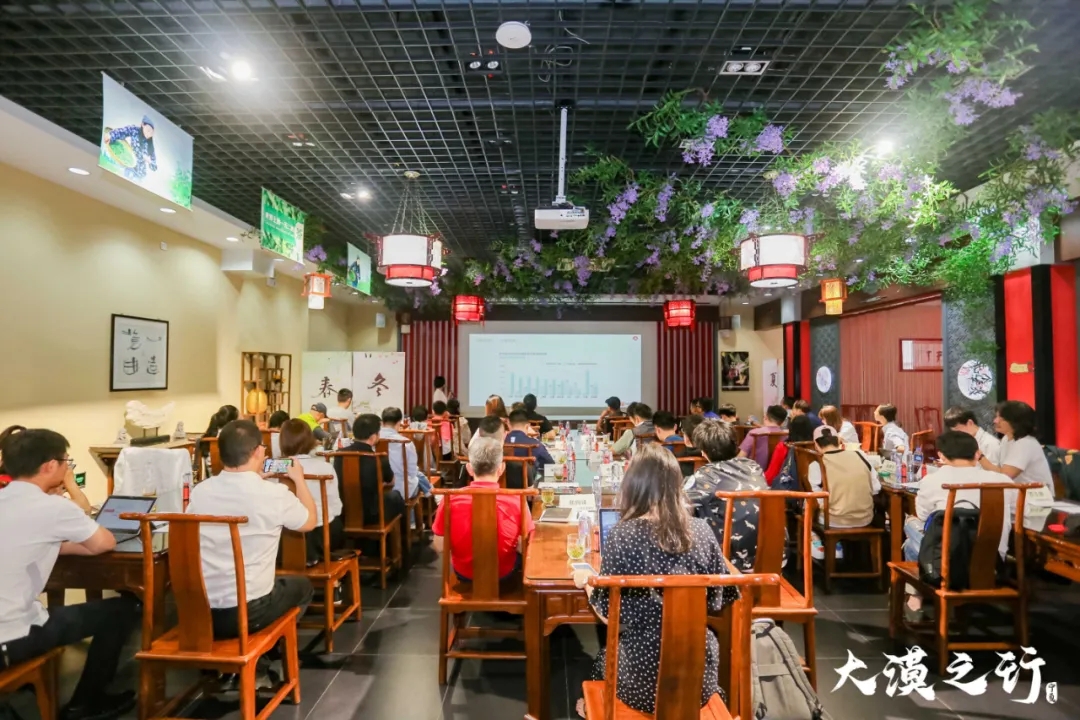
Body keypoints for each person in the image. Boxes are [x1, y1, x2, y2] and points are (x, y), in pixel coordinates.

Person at [573, 443, 736, 716]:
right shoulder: (702, 530)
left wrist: (590, 583)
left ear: (633, 484)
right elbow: (719, 599)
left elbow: (610, 617)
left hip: (641, 683)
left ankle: (590, 706)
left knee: (603, 658)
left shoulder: (622, 535)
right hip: (698, 680)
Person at [0, 429, 138, 720]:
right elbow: (105, 543)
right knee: (121, 610)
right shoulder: (53, 506)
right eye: (66, 462)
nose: (68, 467)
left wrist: (57, 545)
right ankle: (86, 704)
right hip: (12, 636)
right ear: (51, 466)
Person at [186, 420, 316, 640]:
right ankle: (269, 646)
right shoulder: (274, 494)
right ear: (257, 452)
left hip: (201, 611)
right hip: (250, 611)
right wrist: (300, 480)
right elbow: (309, 522)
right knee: (303, 587)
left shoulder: (200, 491)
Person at [433, 437, 534, 581]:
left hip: (464, 573)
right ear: (501, 468)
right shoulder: (517, 500)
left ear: (469, 468)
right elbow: (527, 546)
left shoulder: (450, 500)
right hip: (504, 574)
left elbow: (439, 545)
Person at [903, 431, 1007, 563]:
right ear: (977, 454)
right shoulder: (1003, 480)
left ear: (941, 456)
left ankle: (928, 573)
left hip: (947, 558)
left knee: (910, 525)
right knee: (910, 545)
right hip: (994, 557)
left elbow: (923, 516)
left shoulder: (932, 480)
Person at [685, 419, 767, 571]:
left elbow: (677, 504)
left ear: (704, 451)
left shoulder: (705, 475)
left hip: (731, 561)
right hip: (770, 554)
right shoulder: (753, 466)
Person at [278, 419, 344, 564]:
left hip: (284, 536)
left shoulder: (273, 468)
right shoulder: (325, 468)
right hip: (322, 534)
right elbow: (336, 508)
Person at [335, 414, 406, 528]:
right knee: (396, 496)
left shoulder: (338, 455)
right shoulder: (378, 457)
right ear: (373, 437)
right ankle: (402, 536)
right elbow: (391, 481)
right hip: (371, 515)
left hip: (343, 512)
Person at [807, 426, 880, 528]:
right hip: (865, 519)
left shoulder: (817, 465)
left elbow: (816, 500)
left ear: (816, 444)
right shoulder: (860, 455)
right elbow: (876, 488)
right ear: (839, 440)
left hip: (832, 521)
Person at [979, 400, 1054, 496]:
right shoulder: (1006, 439)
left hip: (1036, 498)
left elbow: (1005, 475)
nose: (995, 421)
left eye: (1001, 419)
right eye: (996, 417)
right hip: (1018, 495)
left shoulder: (1025, 443)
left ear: (1016, 422)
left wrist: (980, 456)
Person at [379, 407, 429, 499]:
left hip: (378, 490)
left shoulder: (372, 441)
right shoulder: (406, 442)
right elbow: (412, 472)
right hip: (403, 490)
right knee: (418, 478)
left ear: (382, 422)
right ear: (399, 423)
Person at [506, 409, 554, 484]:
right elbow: (550, 464)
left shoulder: (500, 443)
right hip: (529, 486)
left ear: (508, 424)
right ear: (528, 426)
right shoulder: (535, 444)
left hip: (502, 487)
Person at [765, 414, 815, 486]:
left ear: (791, 429)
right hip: (811, 489)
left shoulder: (783, 447)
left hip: (788, 489)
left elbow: (771, 475)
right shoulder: (814, 448)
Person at [105, 115, 157, 181]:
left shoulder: (150, 145)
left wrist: (149, 161)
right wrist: (111, 135)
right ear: (143, 125)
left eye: (151, 133)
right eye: (148, 130)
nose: (149, 134)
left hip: (140, 172)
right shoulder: (135, 130)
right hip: (129, 164)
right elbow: (122, 132)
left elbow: (154, 167)